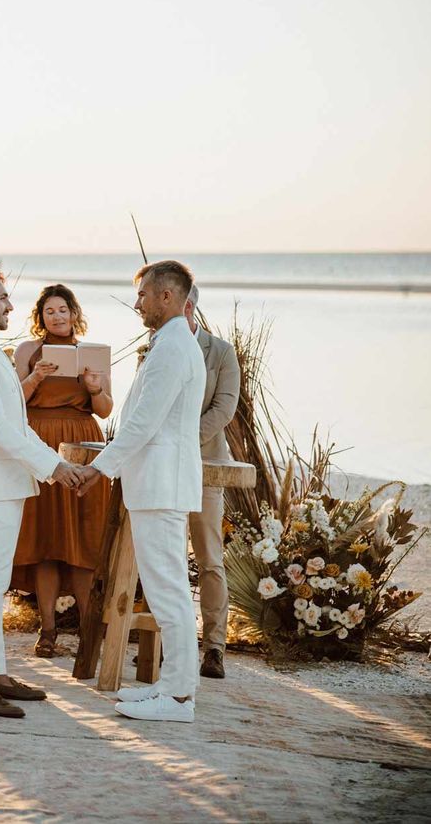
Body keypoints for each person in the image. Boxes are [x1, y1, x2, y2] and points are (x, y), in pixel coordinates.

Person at [0, 267, 85, 719]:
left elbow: (18, 425)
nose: (9, 305)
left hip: (6, 483)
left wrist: (53, 464)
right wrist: (53, 465)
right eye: (2, 298)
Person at [77, 260, 206, 723]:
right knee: (164, 588)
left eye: (143, 295)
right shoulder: (170, 343)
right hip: (156, 483)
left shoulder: (173, 348)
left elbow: (145, 423)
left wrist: (99, 468)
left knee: (168, 591)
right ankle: (171, 688)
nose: (137, 303)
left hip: (162, 484)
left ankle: (177, 699)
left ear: (168, 297)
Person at [10, 284, 113, 657]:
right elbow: (11, 404)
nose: (57, 316)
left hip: (83, 442)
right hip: (39, 445)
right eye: (50, 311)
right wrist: (35, 377)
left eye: (63, 310)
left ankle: (90, 629)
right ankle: (48, 630)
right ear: (41, 316)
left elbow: (104, 410)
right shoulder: (26, 351)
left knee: (84, 539)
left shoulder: (92, 353)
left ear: (74, 313)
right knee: (46, 540)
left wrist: (94, 387)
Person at [185, 285, 241, 680]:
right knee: (164, 556)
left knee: (210, 558)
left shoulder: (220, 352)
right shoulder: (151, 350)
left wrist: (182, 439)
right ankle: (167, 643)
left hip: (206, 463)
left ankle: (214, 648)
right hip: (162, 467)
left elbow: (224, 408)